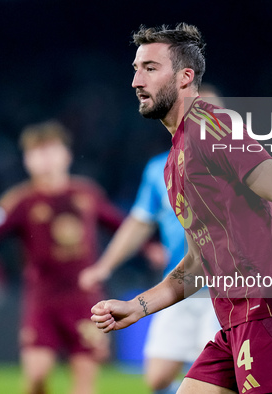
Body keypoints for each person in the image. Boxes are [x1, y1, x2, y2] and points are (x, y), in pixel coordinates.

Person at [91, 24, 272, 394]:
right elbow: (197, 264)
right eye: (135, 68)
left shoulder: (214, 125)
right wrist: (138, 307)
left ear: (185, 77)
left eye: (149, 68)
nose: (135, 80)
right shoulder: (173, 163)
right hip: (236, 319)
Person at [79, 84, 223, 394]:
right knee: (157, 378)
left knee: (212, 376)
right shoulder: (160, 168)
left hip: (223, 287)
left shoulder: (233, 165)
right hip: (178, 280)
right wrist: (104, 266)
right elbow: (139, 223)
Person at [0, 120, 124, 394]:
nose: (45, 159)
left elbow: (121, 225)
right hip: (42, 300)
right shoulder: (20, 200)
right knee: (36, 377)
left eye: (50, 150)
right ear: (27, 160)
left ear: (66, 155)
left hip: (84, 297)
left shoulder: (86, 193)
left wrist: (149, 247)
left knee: (84, 382)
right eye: (37, 153)